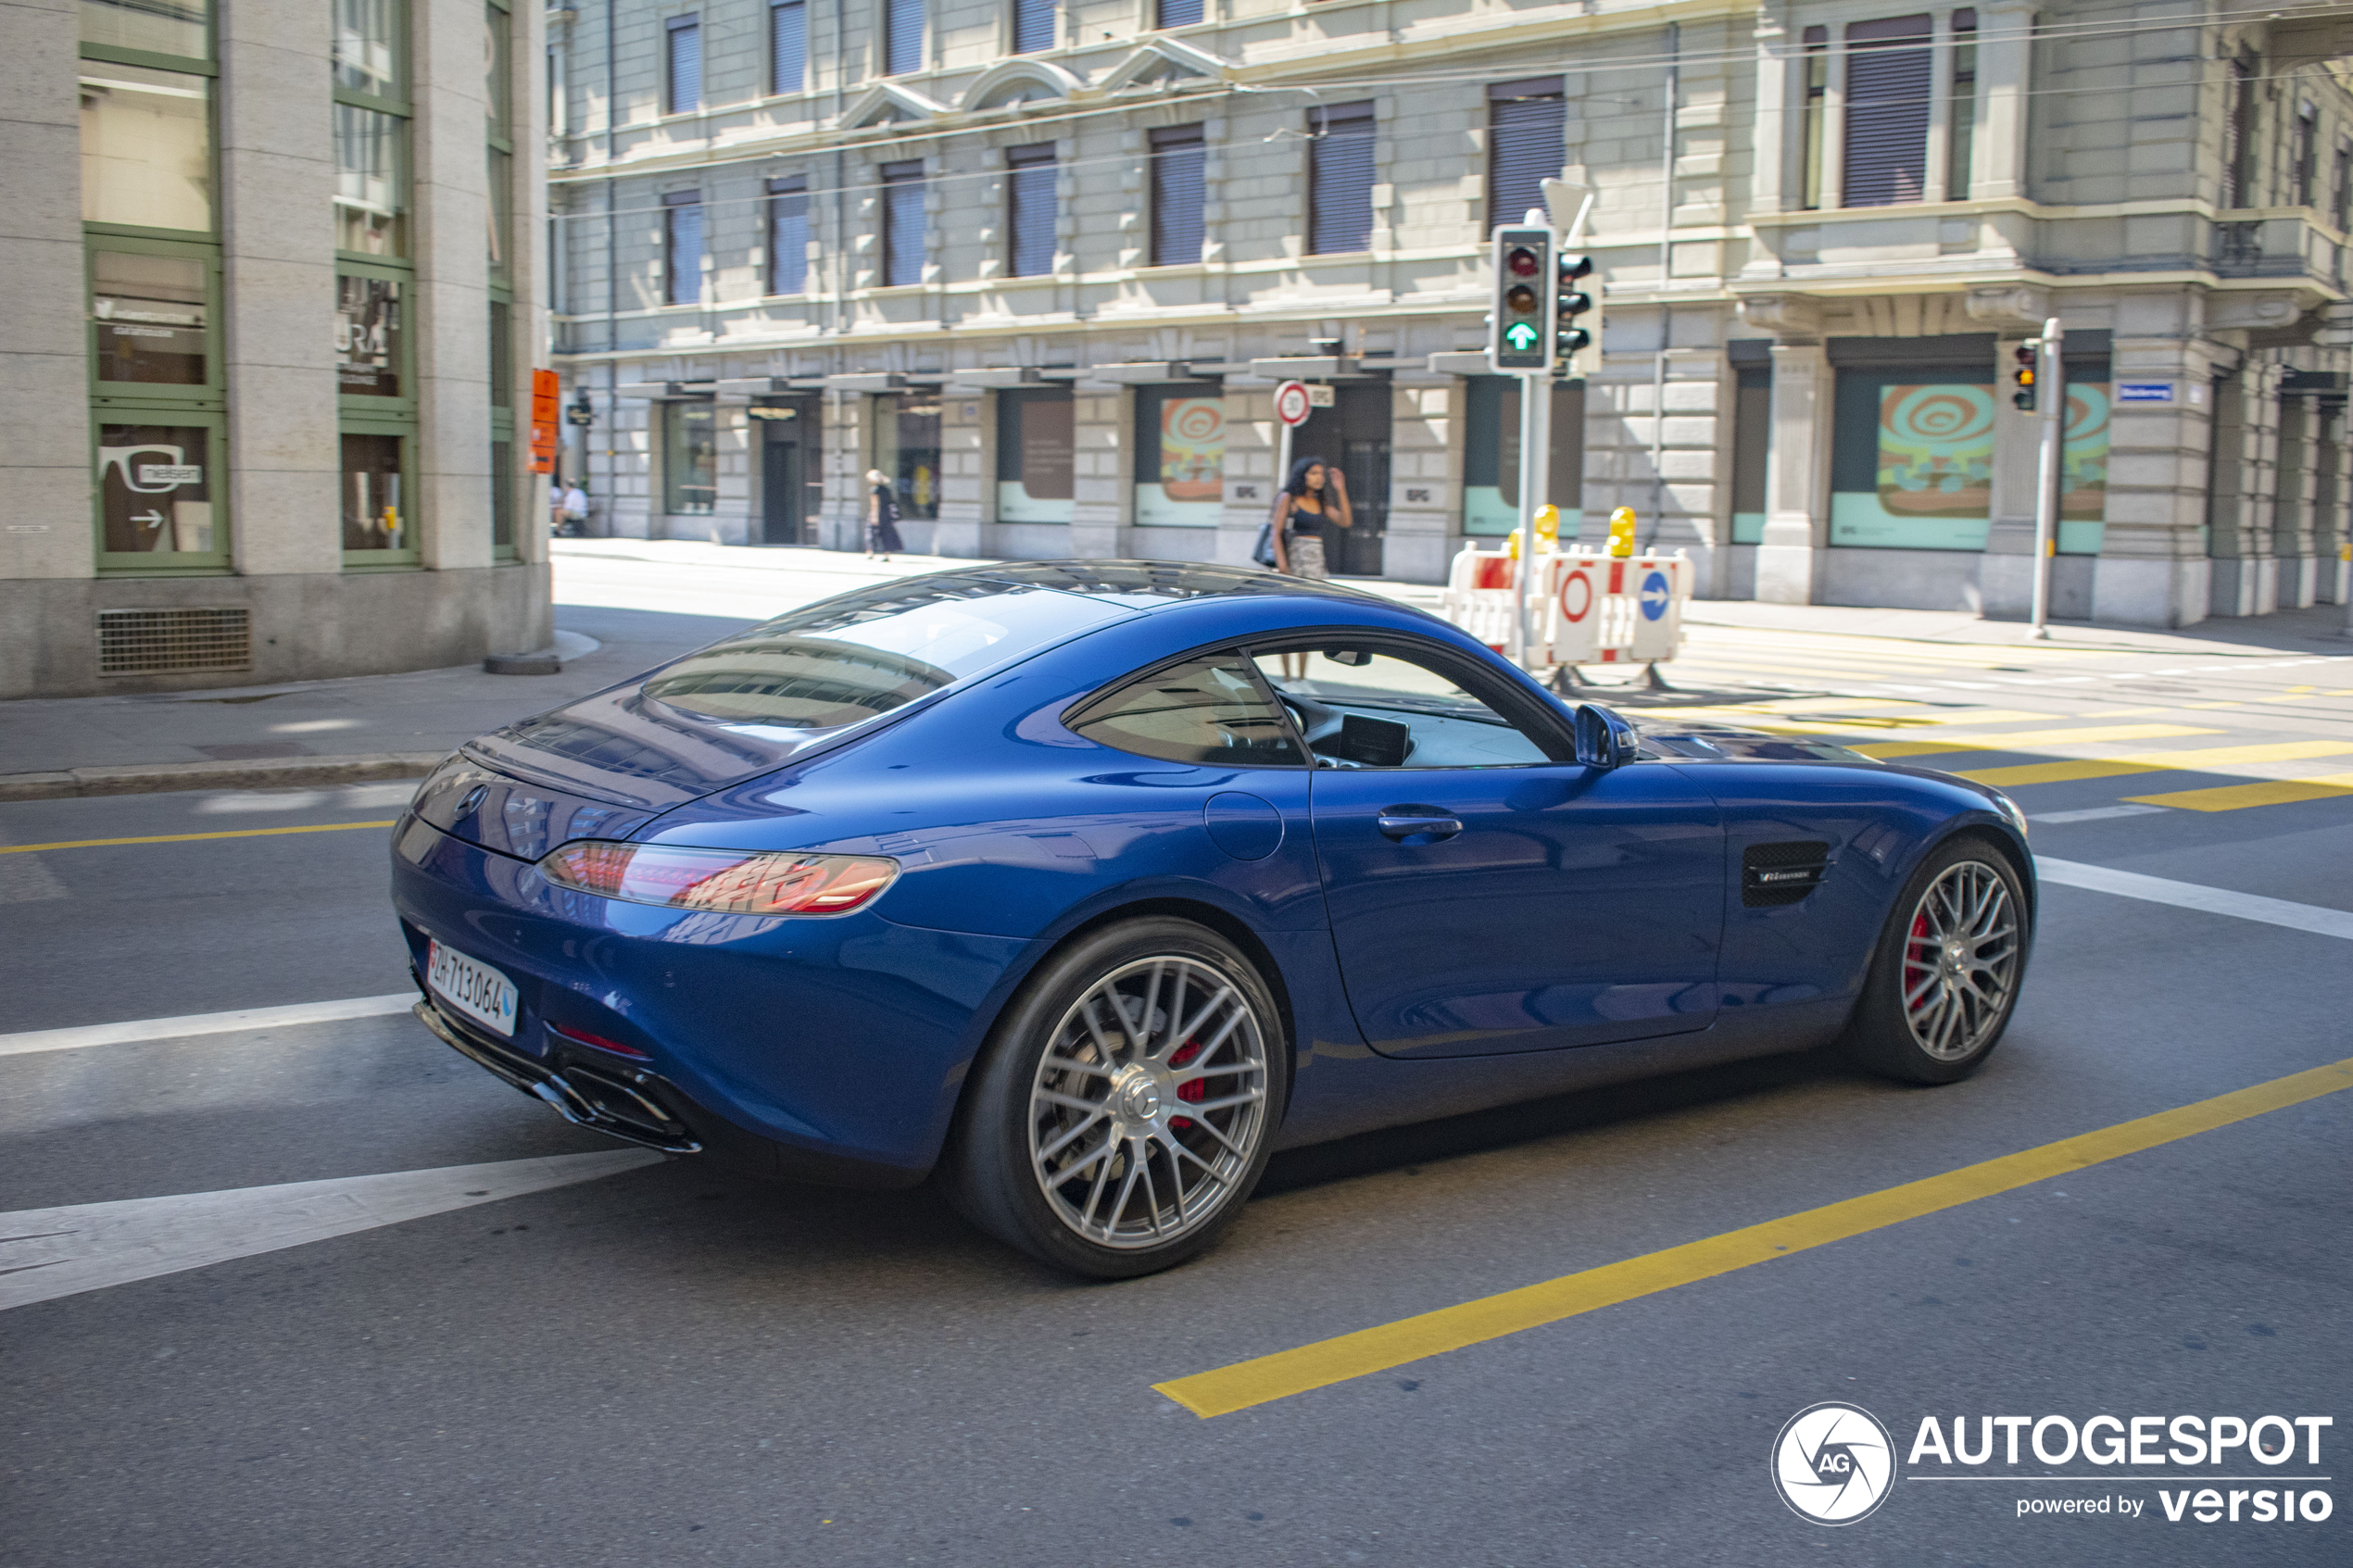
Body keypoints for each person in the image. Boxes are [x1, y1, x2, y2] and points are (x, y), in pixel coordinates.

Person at [1268, 454, 1351, 679]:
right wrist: (1283, 566)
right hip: (1294, 561)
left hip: (1315, 563)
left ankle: (1302, 676)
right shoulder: (1288, 498)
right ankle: (1286, 676)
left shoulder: (1320, 502)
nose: (1318, 478)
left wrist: (1340, 489)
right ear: (1302, 475)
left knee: (1306, 619)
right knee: (1287, 620)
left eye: (1321, 474)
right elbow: (1275, 531)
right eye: (1313, 473)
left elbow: (1344, 521)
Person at [864, 469, 904, 561]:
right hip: (886, 515)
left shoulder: (874, 490)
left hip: (877, 515)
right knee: (887, 534)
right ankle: (886, 555)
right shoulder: (887, 490)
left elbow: (875, 504)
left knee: (870, 534)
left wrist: (874, 518)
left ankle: (870, 553)